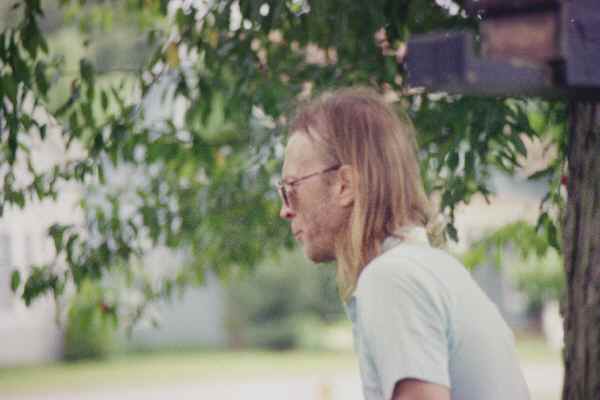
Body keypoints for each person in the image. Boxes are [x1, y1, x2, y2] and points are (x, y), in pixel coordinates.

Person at [277, 87, 530, 400]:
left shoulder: (391, 279)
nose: (285, 209)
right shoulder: (431, 267)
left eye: (291, 188)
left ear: (345, 185)